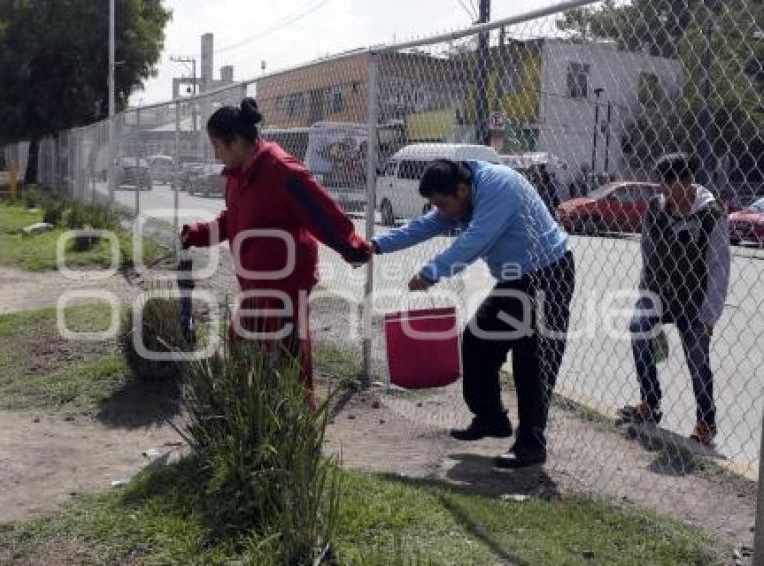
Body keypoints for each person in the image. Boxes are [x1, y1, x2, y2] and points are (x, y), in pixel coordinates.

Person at [371, 159, 575, 468]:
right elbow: (424, 225)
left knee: (532, 360)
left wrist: (431, 272)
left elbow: (476, 240)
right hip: (515, 279)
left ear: (462, 190)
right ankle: (491, 418)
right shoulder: (461, 195)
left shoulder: (500, 185)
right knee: (477, 341)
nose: (440, 211)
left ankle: (531, 444)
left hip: (548, 275)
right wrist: (374, 246)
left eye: (442, 203)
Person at [180, 98, 372, 392]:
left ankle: (299, 423)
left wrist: (352, 247)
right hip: (257, 280)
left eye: (217, 145)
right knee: (242, 340)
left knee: (287, 352)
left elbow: (321, 212)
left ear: (235, 142)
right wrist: (197, 233)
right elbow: (233, 218)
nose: (216, 154)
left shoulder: (282, 170)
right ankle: (253, 406)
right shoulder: (238, 176)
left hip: (286, 278)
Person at [619, 153, 730, 445]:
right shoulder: (656, 209)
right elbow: (647, 254)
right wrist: (647, 300)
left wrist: (710, 315)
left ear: (687, 181)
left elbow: (719, 267)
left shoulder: (712, 213)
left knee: (697, 358)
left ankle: (706, 422)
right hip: (658, 291)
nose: (664, 190)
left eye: (669, 183)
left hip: (694, 298)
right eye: (662, 183)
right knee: (638, 329)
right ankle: (650, 402)